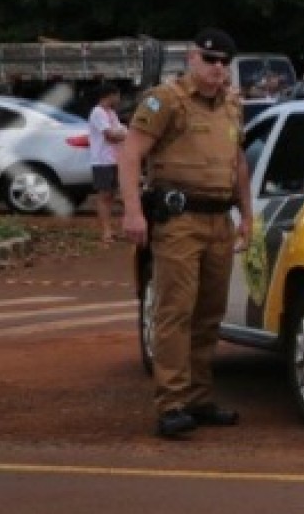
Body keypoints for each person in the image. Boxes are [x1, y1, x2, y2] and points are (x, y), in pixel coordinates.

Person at [118, 28, 253, 440]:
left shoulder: (231, 105)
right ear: (192, 58)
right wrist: (133, 212)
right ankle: (171, 404)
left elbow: (238, 163)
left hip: (218, 220)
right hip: (179, 220)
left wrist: (246, 214)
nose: (217, 70)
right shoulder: (167, 100)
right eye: (210, 60)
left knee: (208, 312)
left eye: (224, 62)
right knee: (175, 311)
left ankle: (199, 397)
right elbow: (130, 153)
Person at [86, 86, 128, 242]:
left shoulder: (111, 113)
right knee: (104, 195)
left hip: (115, 159)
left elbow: (121, 132)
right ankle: (106, 231)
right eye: (117, 95)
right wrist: (123, 133)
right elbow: (111, 136)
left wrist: (122, 133)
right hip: (102, 161)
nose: (119, 99)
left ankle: (118, 229)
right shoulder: (97, 113)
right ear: (110, 95)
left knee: (113, 195)